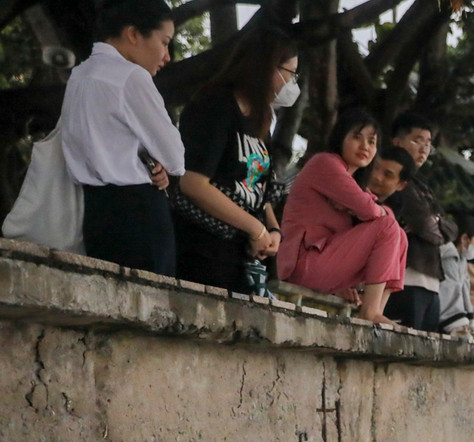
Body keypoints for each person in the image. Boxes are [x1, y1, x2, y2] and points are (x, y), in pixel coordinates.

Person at [59, 0, 184, 276]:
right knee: (151, 310)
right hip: (139, 214)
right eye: (164, 42)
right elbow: (175, 159)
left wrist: (150, 161)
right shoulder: (131, 77)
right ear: (133, 34)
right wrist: (163, 163)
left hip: (94, 214)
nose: (167, 56)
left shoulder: (79, 76)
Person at [172, 24, 296, 294]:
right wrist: (255, 228)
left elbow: (257, 186)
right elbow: (193, 182)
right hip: (202, 249)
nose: (292, 84)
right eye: (290, 74)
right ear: (267, 68)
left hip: (240, 255)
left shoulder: (261, 120)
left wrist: (272, 231)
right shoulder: (214, 107)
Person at [276, 109, 408, 324]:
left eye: (372, 142)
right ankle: (370, 311)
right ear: (340, 138)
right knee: (388, 227)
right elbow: (372, 211)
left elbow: (378, 211)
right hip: (302, 264)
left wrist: (365, 207)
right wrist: (365, 207)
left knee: (400, 235)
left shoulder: (352, 182)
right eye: (357, 137)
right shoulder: (325, 163)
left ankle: (375, 308)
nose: (365, 146)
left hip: (323, 262)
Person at [383, 112, 456, 332]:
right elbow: (426, 226)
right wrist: (435, 222)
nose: (423, 149)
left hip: (431, 282)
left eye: (428, 144)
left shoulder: (422, 186)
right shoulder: (396, 184)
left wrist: (434, 221)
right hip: (405, 278)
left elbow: (450, 230)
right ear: (397, 141)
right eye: (416, 141)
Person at [439, 215, 474, 334]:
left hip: (458, 319)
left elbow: (464, 290)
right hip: (446, 319)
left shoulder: (462, 261)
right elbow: (449, 290)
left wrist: (470, 319)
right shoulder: (448, 257)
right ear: (464, 238)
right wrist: (458, 321)